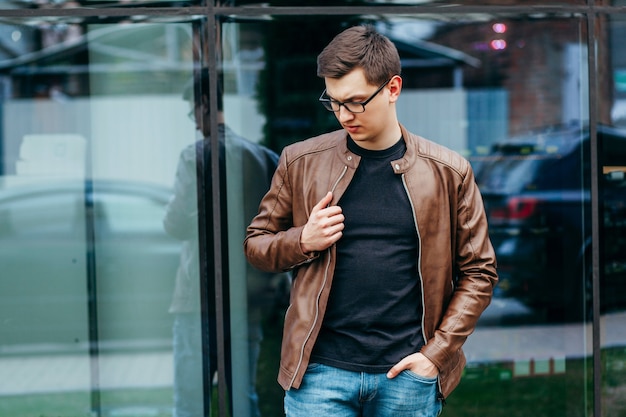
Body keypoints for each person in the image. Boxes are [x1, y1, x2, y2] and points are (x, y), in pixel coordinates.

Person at [243, 25, 498, 417]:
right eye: (335, 102)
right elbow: (256, 245)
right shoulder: (299, 162)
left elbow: (479, 272)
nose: (344, 115)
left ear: (393, 88)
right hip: (319, 376)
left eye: (357, 101)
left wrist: (436, 355)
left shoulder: (449, 172)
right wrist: (303, 240)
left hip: (407, 377)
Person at [164, 69, 281, 417]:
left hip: (198, 300)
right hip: (248, 298)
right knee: (242, 400)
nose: (193, 120)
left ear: (202, 105)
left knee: (190, 403)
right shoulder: (263, 157)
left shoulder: (194, 156)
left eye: (191, 112)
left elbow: (174, 223)